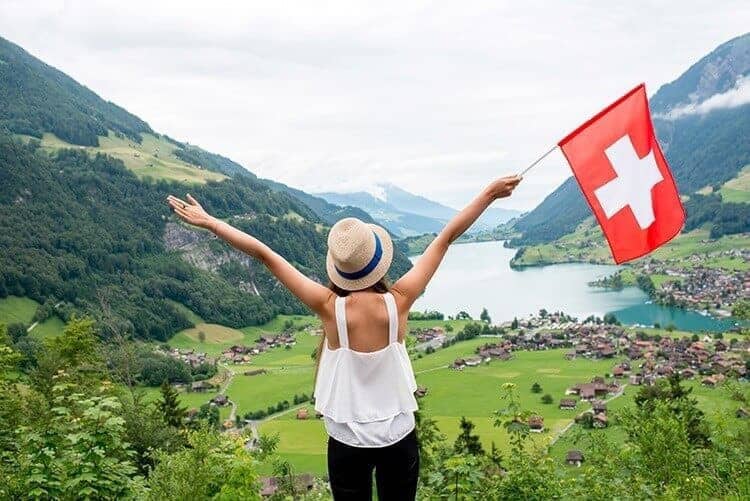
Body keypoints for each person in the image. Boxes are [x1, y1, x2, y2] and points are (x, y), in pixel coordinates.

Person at [166, 174, 522, 500]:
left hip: (347, 441)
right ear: (378, 259)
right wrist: (489, 194)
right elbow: (445, 238)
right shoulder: (399, 301)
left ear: (339, 268)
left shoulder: (328, 306)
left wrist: (211, 222)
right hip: (398, 437)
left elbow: (265, 255)